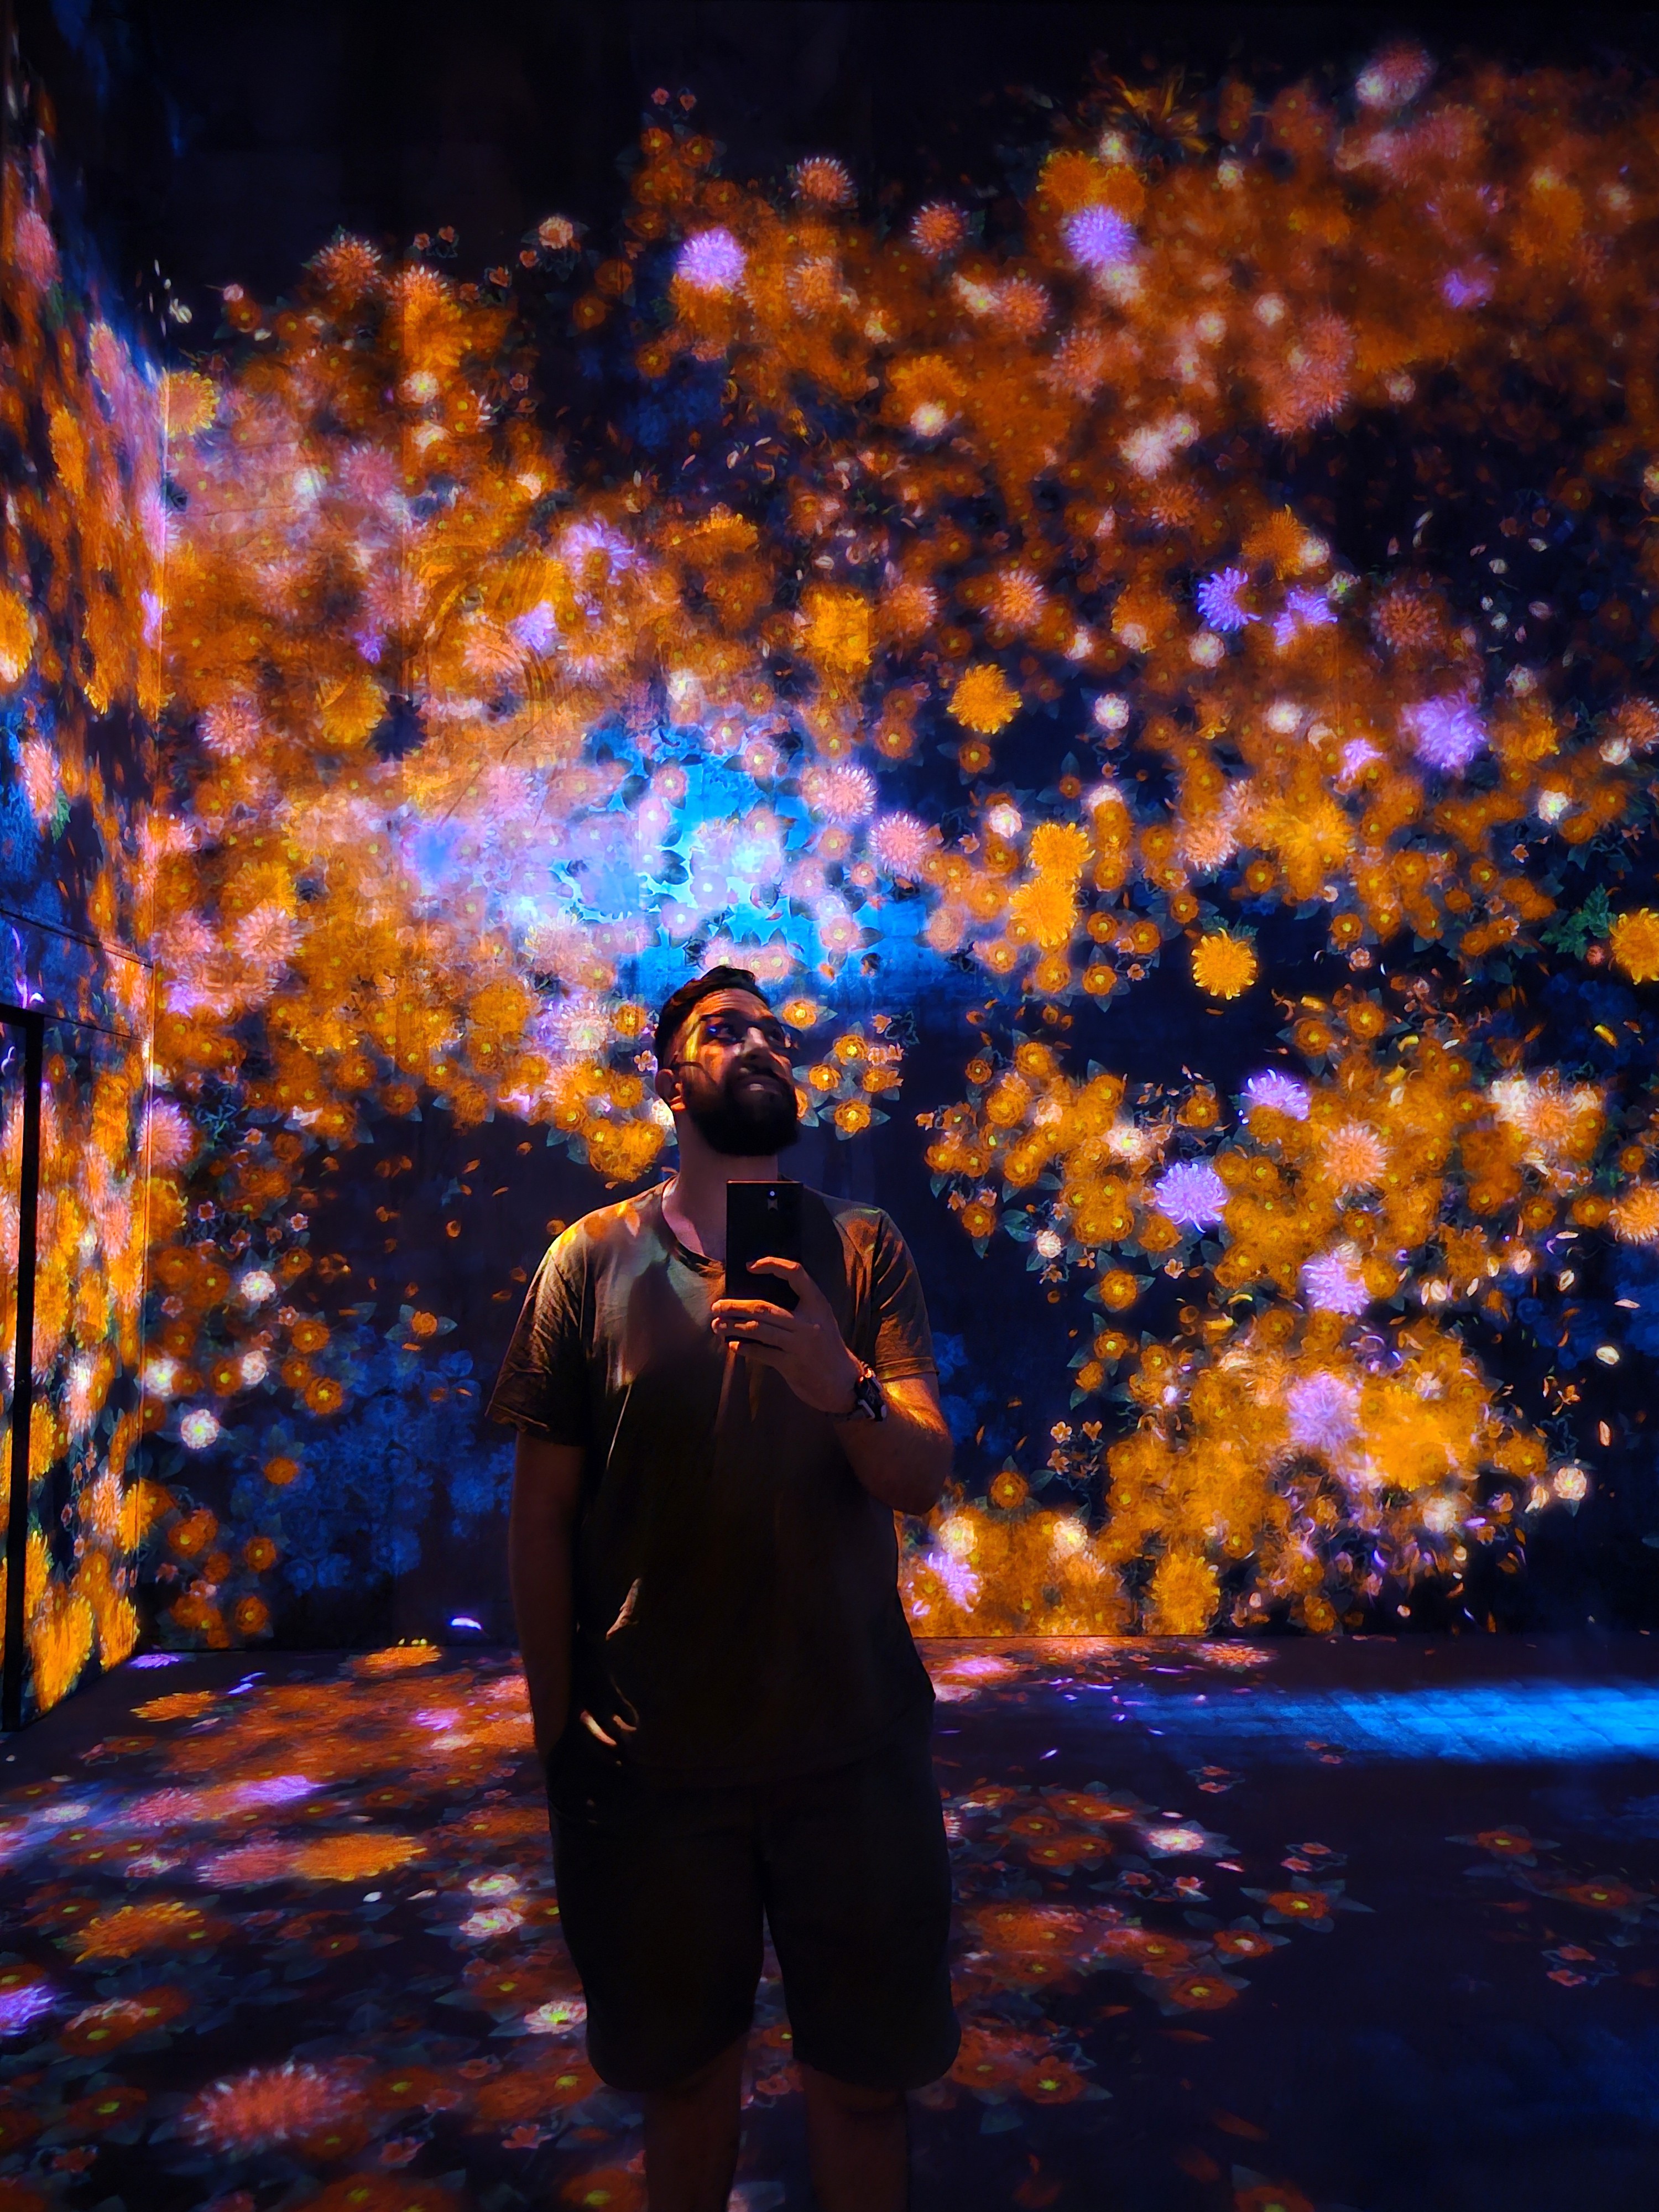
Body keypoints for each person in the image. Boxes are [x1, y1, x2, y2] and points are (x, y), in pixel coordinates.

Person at [490, 964, 959, 2212]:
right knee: (686, 2083)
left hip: (853, 1753)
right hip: (654, 1771)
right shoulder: (588, 1262)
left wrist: (842, 1386)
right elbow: (542, 1518)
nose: (757, 1043)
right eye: (722, 1029)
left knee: (863, 2086)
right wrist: (557, 1736)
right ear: (667, 1078)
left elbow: (921, 1474)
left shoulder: (862, 1248)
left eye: (772, 1031)